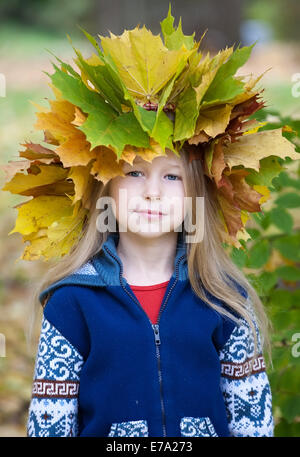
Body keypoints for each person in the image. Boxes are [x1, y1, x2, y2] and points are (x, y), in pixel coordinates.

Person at [3, 5, 298, 438]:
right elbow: (49, 426)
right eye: (134, 172)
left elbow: (252, 424)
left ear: (198, 192)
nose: (153, 191)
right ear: (103, 187)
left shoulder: (227, 302)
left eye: (172, 176)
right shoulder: (72, 305)